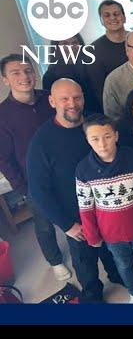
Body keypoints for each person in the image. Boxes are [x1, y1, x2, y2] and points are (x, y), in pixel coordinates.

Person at [27, 79, 122, 302]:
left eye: (77, 97)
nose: (72, 103)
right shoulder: (41, 141)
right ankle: (93, 295)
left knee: (113, 251)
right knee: (85, 262)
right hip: (75, 217)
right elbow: (39, 191)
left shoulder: (97, 125)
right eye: (64, 99)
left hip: (108, 208)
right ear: (52, 101)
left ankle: (118, 275)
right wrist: (67, 225)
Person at [76, 114, 133, 303]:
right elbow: (85, 207)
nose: (102, 144)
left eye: (107, 136)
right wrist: (92, 235)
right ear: (87, 140)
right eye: (95, 139)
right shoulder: (83, 170)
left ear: (116, 135)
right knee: (123, 264)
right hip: (111, 234)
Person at [0, 54, 70, 281]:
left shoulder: (50, 99)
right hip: (34, 184)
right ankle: (55, 261)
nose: (24, 76)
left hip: (65, 173)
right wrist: (22, 187)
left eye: (28, 70)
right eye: (15, 73)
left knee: (72, 215)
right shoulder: (2, 115)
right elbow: (4, 158)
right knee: (44, 225)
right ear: (5, 80)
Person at [43, 33, 101, 113]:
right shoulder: (50, 75)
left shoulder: (92, 65)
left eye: (74, 43)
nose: (71, 47)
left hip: (97, 115)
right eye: (65, 44)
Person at [89, 0, 129, 112]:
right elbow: (99, 90)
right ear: (101, 21)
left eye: (116, 14)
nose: (112, 18)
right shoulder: (93, 51)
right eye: (107, 15)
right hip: (117, 110)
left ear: (124, 17)